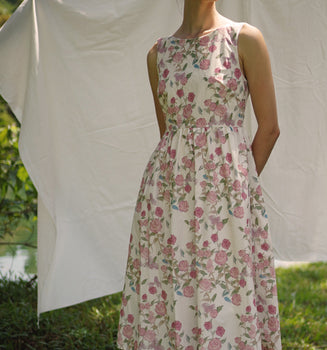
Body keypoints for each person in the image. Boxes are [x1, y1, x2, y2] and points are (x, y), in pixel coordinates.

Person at [117, 0, 281, 349]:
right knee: (171, 282)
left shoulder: (244, 39)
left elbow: (269, 128)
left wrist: (236, 186)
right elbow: (170, 136)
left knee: (225, 289)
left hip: (226, 194)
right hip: (165, 195)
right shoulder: (158, 53)